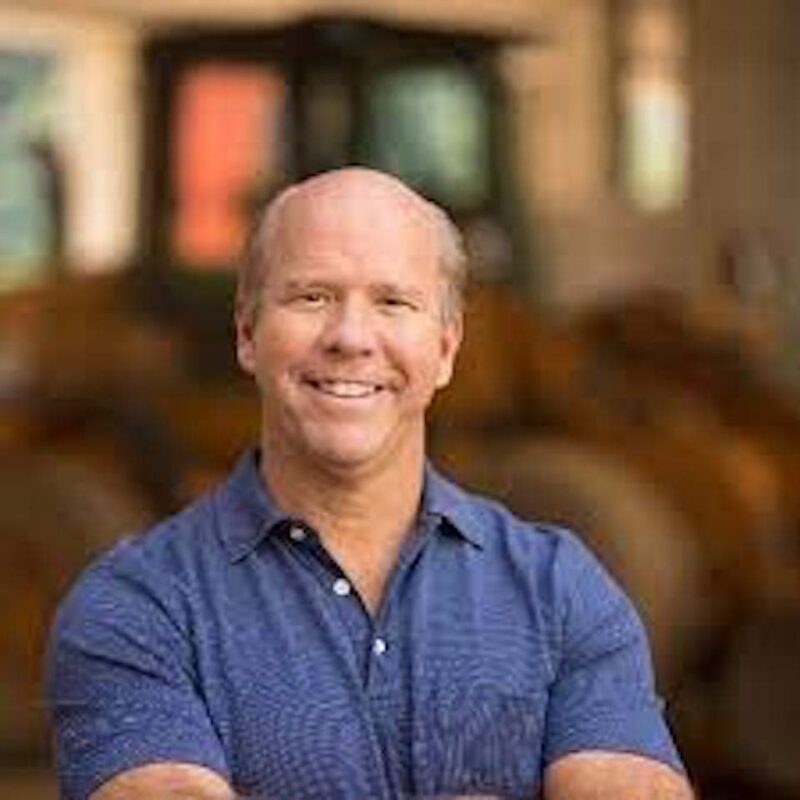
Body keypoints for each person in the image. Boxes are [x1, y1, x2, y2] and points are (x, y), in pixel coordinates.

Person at [46, 167, 694, 800]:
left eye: (393, 302)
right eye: (312, 297)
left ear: (446, 348)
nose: (351, 337)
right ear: (246, 334)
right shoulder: (136, 607)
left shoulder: (561, 590)